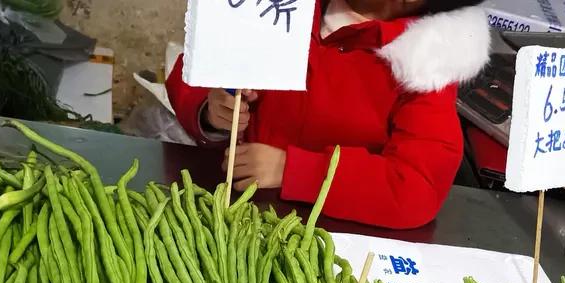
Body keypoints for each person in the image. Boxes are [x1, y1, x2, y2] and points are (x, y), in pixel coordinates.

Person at [166, 0, 491, 229]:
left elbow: (416, 187)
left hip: (329, 238)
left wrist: (292, 170)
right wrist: (211, 109)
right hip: (230, 211)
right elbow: (194, 68)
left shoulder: (429, 62)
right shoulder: (277, 7)